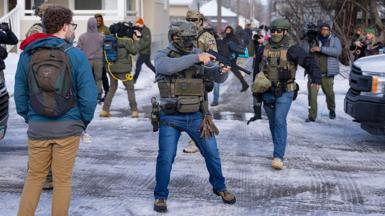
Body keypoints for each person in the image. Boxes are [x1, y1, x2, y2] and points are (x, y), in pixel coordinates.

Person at [15, 5, 97, 215]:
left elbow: (20, 93)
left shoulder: (28, 55)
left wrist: (31, 117)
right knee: (62, 180)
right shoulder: (75, 55)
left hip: (38, 127)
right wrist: (82, 122)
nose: (72, 29)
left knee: (34, 178)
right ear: (63, 27)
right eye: (71, 25)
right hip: (68, 128)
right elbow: (89, 96)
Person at [153, 21, 236, 212]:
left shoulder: (197, 54)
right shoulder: (163, 55)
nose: (190, 43)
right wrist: (197, 57)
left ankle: (220, 188)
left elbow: (213, 75)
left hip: (197, 116)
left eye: (192, 39)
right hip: (170, 117)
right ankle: (160, 196)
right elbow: (167, 67)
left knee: (212, 154)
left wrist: (222, 72)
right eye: (186, 39)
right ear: (174, 37)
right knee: (166, 157)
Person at [252, 18, 321, 170]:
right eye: (273, 31)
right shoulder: (263, 48)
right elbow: (256, 71)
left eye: (279, 31)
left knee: (279, 120)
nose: (276, 33)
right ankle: (279, 148)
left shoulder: (293, 49)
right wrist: (255, 91)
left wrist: (316, 77)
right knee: (272, 123)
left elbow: (309, 62)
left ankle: (278, 156)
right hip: (267, 92)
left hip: (286, 91)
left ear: (285, 32)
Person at [24, 2, 56, 190]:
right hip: (41, 88)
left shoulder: (41, 31)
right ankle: (40, 176)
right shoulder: (39, 32)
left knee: (46, 136)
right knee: (41, 137)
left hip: (43, 88)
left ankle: (45, 176)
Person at [183, 10, 219, 154]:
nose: (191, 22)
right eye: (188, 20)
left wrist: (208, 74)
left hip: (200, 77)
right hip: (185, 76)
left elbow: (213, 56)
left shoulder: (206, 37)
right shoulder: (182, 35)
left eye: (194, 20)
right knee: (186, 107)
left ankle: (197, 141)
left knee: (201, 108)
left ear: (200, 21)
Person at [302, 22, 342, 122]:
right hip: (314, 73)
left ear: (329, 30)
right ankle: (312, 116)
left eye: (326, 29)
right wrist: (307, 41)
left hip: (327, 73)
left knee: (329, 94)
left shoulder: (334, 39)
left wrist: (320, 49)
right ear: (320, 30)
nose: (324, 31)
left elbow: (337, 51)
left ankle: (332, 109)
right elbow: (304, 51)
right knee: (312, 96)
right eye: (322, 29)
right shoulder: (314, 39)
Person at [99, 24, 140, 118]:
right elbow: (134, 51)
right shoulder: (127, 40)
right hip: (124, 70)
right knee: (130, 88)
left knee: (112, 88)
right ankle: (134, 111)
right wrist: (136, 41)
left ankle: (105, 110)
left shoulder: (108, 40)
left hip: (111, 68)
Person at [77, 17, 104, 103]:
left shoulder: (82, 37)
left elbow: (78, 49)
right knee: (98, 79)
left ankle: (88, 95)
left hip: (87, 61)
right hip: (99, 60)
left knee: (88, 79)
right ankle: (98, 95)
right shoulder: (101, 36)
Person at [222, 25, 249, 92]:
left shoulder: (234, 38)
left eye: (229, 30)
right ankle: (244, 83)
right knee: (234, 70)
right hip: (226, 56)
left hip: (232, 57)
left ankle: (244, 84)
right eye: (227, 30)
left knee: (233, 70)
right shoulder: (224, 38)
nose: (227, 31)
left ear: (231, 31)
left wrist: (234, 55)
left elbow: (237, 47)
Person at [133, 17, 156, 83]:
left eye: (137, 25)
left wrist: (139, 47)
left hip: (145, 52)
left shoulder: (146, 30)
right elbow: (138, 39)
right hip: (143, 52)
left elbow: (147, 42)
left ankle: (134, 80)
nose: (137, 26)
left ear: (141, 24)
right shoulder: (140, 30)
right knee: (149, 64)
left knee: (138, 65)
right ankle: (159, 75)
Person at [95, 14, 110, 101]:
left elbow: (110, 42)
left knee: (103, 75)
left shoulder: (105, 29)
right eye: (97, 20)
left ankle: (107, 92)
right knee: (95, 77)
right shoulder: (92, 29)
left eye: (100, 20)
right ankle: (97, 94)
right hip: (93, 56)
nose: (98, 22)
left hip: (103, 56)